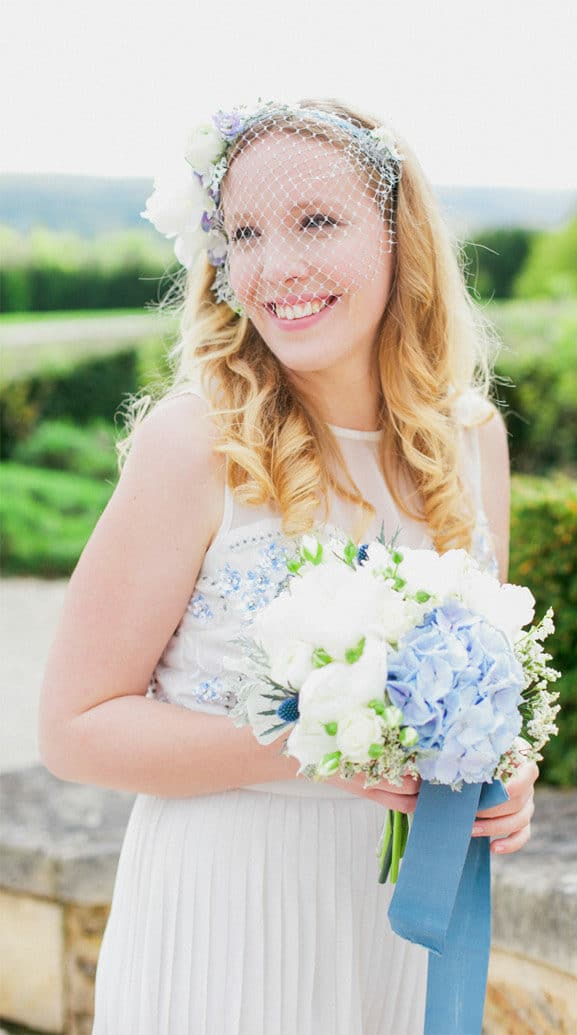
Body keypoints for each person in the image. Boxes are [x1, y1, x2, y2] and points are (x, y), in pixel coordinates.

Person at [38, 98, 539, 1035]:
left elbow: (486, 675)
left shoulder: (472, 441)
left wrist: (504, 775)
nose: (276, 268)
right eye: (245, 234)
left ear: (399, 235)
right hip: (228, 914)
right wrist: (319, 748)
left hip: (397, 916)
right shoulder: (195, 445)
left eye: (315, 222)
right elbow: (73, 727)